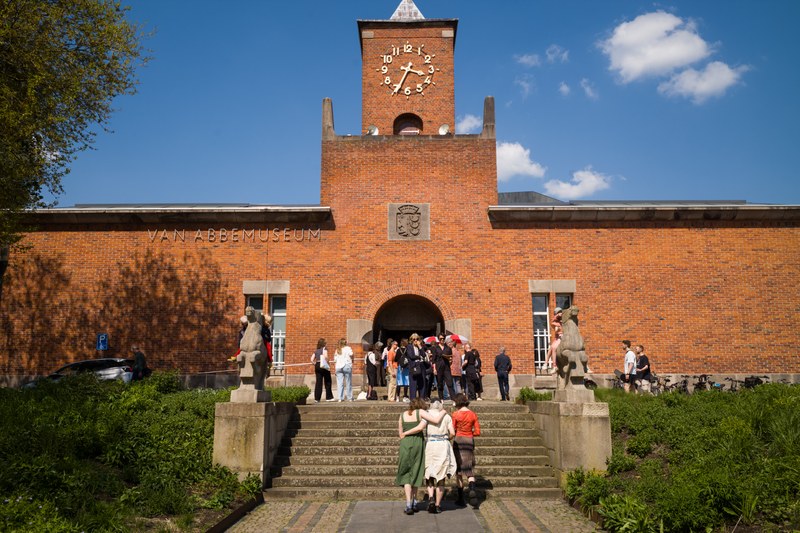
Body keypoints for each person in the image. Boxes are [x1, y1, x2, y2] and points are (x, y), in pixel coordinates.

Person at [396, 398, 447, 515]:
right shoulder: (421, 412)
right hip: (417, 442)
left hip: (405, 443)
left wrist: (404, 433)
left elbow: (400, 433)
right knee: (416, 470)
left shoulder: (402, 415)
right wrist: (443, 411)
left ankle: (409, 503)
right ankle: (414, 503)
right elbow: (434, 421)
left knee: (406, 473)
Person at [422, 401, 456, 513]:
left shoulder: (426, 414)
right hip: (442, 444)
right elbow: (452, 433)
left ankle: (431, 497)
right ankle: (437, 504)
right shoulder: (446, 416)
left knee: (429, 473)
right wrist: (447, 438)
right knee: (441, 476)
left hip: (431, 444)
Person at [451, 393, 481, 508]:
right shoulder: (473, 414)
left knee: (459, 470)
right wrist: (470, 433)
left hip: (458, 440)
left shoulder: (455, 414)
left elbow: (452, 430)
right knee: (468, 468)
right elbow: (478, 432)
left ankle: (461, 498)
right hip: (469, 440)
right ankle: (472, 488)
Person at [433, 336, 456, 402]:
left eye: (443, 338)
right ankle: (441, 398)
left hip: (446, 367)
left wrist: (450, 360)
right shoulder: (436, 348)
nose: (442, 340)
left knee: (450, 383)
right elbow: (434, 360)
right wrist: (434, 369)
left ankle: (453, 399)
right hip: (438, 367)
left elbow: (451, 358)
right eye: (441, 339)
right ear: (439, 340)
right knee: (440, 384)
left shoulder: (448, 348)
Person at [311, 338, 334, 402]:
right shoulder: (324, 349)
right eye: (326, 343)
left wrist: (315, 364)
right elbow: (326, 356)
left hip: (317, 365)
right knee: (328, 381)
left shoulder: (316, 351)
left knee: (318, 382)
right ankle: (329, 397)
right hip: (323, 365)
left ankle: (317, 398)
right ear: (324, 344)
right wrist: (328, 363)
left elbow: (311, 359)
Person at [406, 334, 426, 400]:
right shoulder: (409, 347)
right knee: (413, 384)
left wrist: (420, 346)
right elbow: (411, 356)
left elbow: (423, 355)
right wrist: (418, 357)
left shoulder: (420, 347)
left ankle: (422, 399)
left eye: (417, 339)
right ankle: (413, 400)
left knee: (422, 384)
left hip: (420, 366)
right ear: (411, 340)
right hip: (413, 367)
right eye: (414, 339)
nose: (415, 340)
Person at [546, 307, 563, 374]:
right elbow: (553, 322)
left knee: (554, 348)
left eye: (560, 312)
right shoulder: (556, 323)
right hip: (558, 338)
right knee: (551, 348)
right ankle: (546, 363)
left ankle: (554, 366)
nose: (560, 314)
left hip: (563, 337)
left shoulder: (564, 322)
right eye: (558, 313)